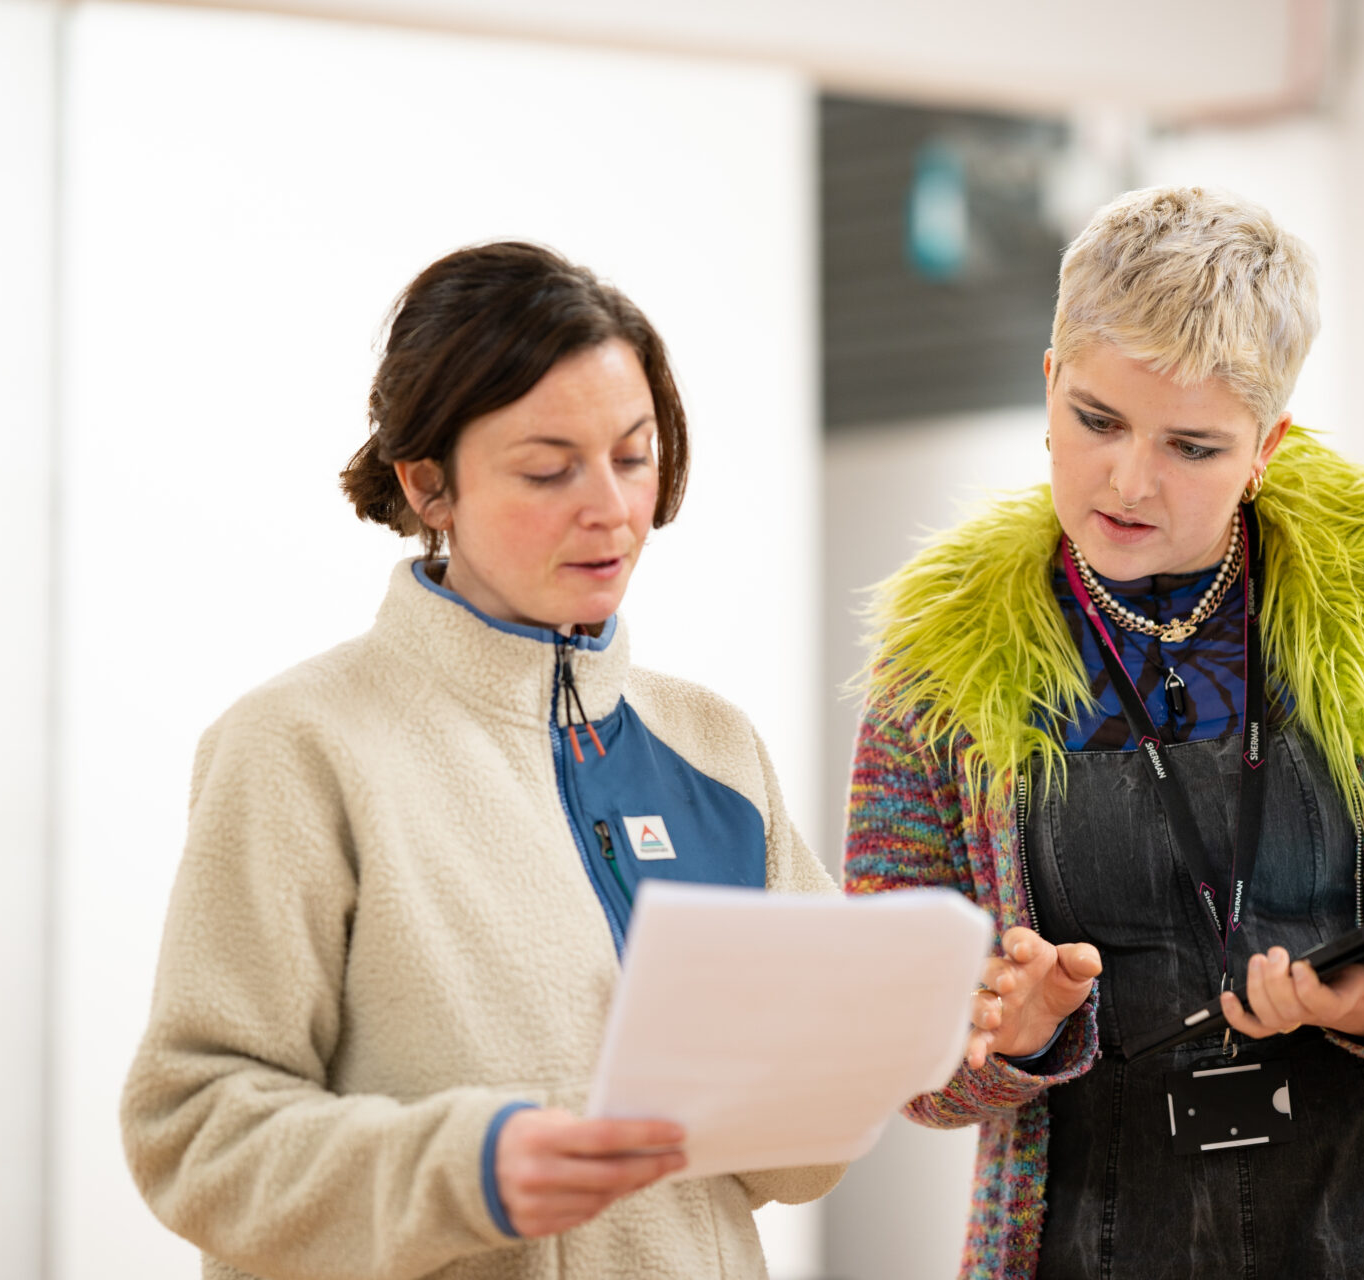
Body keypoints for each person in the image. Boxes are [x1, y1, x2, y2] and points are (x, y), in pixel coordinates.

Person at [844, 187, 1364, 1279]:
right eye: (1096, 420)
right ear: (1048, 383)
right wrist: (1013, 1030)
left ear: (1266, 444)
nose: (1130, 480)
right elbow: (898, 1044)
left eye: (1192, 445)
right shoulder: (939, 666)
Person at [120, 242, 842, 1280]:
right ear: (428, 484)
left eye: (633, 457)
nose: (611, 509)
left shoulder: (713, 743)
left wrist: (947, 1027)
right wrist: (470, 1168)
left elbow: (798, 1159)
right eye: (549, 469)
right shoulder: (298, 745)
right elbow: (194, 1137)